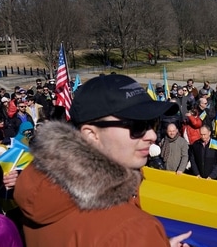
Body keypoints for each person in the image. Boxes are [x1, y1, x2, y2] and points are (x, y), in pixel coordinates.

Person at [13, 74, 192, 246]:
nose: (152, 135)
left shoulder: (39, 187)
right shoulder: (132, 230)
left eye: (153, 123)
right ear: (91, 135)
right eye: (137, 126)